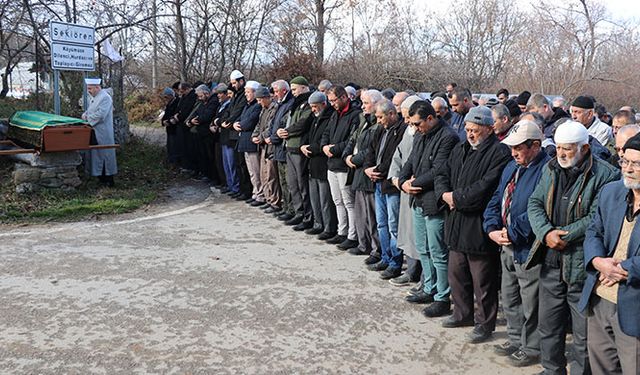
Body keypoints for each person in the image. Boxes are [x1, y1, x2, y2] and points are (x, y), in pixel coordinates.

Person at [527, 120, 620, 375]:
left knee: (583, 334)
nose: (562, 154)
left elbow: (596, 217)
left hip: (579, 264)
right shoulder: (551, 168)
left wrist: (564, 235)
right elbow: (534, 202)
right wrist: (546, 233)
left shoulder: (605, 175)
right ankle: (552, 369)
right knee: (549, 325)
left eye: (568, 148)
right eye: (558, 148)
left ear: (585, 148)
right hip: (550, 260)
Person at [434, 105, 511, 343]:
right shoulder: (460, 148)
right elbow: (441, 173)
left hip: (477, 224)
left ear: (489, 129)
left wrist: (457, 198)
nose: (470, 134)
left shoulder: (499, 152)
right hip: (456, 221)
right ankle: (462, 313)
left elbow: (486, 187)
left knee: (482, 280)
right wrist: (445, 195)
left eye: (475, 130)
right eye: (467, 129)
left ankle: (484, 323)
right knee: (456, 274)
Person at [483, 120, 550, 367]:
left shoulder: (546, 169)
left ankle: (531, 347)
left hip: (528, 247)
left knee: (530, 300)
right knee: (509, 295)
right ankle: (515, 339)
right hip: (505, 242)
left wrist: (513, 232)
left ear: (534, 146)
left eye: (518, 148)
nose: (513, 153)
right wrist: (491, 227)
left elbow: (539, 209)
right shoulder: (512, 167)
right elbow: (497, 198)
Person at [578, 133, 640, 375]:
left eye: (636, 164)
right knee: (601, 367)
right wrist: (597, 261)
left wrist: (622, 269)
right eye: (625, 162)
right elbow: (594, 231)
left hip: (634, 304)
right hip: (600, 298)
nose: (628, 169)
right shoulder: (611, 192)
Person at [398, 100, 459, 317]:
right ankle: (429, 287)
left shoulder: (448, 137)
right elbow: (412, 161)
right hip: (418, 200)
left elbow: (439, 169)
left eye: (418, 123)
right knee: (423, 248)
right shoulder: (421, 135)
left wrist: (413, 183)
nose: (415, 127)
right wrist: (402, 180)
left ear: (431, 118)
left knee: (438, 252)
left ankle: (442, 297)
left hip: (434, 202)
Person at [364, 99, 406, 279]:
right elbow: (371, 151)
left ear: (391, 114)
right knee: (381, 223)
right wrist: (368, 168)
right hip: (378, 183)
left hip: (391, 184)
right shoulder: (381, 129)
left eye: (381, 117)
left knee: (393, 225)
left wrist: (379, 170)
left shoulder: (402, 130)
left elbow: (396, 158)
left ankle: (396, 262)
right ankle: (385, 257)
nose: (378, 121)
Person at [387, 95, 423, 283]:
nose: (406, 121)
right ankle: (410, 271)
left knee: (418, 236)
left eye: (408, 117)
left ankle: (418, 275)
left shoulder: (422, 132)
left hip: (417, 188)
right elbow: (398, 156)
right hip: (404, 187)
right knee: (406, 232)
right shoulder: (408, 131)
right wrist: (396, 178)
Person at [344, 90, 383, 254]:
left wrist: (354, 159)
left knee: (372, 216)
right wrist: (347, 156)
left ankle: (376, 249)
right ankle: (363, 244)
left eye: (366, 103)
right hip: (358, 173)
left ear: (375, 104)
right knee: (361, 213)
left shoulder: (378, 125)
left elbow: (370, 150)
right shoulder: (363, 120)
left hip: (368, 173)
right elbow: (352, 139)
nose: (362, 106)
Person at [321, 85, 361, 245]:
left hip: (343, 164)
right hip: (331, 163)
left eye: (333, 100)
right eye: (330, 101)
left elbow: (352, 140)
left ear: (344, 97)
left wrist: (334, 149)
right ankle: (342, 231)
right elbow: (326, 133)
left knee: (348, 202)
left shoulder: (355, 115)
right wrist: (324, 146)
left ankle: (352, 235)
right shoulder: (334, 114)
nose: (332, 104)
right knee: (337, 200)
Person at [276, 76, 314, 229]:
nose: (293, 93)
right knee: (293, 184)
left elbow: (302, 123)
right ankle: (298, 213)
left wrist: (287, 131)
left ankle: (307, 216)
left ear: (304, 88)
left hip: (299, 148)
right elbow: (287, 120)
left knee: (302, 184)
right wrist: (280, 130)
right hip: (289, 148)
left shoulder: (308, 104)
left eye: (294, 89)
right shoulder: (295, 104)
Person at [300, 91, 337, 237]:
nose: (313, 109)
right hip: (312, 161)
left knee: (325, 199)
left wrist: (309, 148)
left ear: (323, 104)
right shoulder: (315, 118)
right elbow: (308, 135)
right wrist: (303, 146)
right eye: (311, 107)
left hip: (322, 162)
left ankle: (328, 227)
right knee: (315, 197)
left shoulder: (328, 118)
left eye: (315, 106)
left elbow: (324, 140)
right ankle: (318, 223)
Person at [82, 77, 117, 187]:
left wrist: (88, 118)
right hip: (95, 131)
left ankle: (109, 180)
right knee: (96, 155)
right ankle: (100, 178)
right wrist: (85, 115)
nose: (89, 91)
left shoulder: (105, 98)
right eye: (88, 89)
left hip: (103, 132)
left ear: (97, 87)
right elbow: (90, 111)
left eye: (90, 88)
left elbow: (101, 115)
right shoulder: (94, 97)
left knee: (105, 155)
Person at [233, 80, 263, 204]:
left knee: (256, 171)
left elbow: (249, 122)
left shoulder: (257, 106)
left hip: (251, 143)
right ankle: (255, 193)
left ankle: (260, 195)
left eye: (248, 92)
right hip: (244, 142)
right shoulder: (247, 105)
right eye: (245, 92)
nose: (246, 94)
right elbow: (240, 119)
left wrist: (240, 124)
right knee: (251, 171)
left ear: (255, 93)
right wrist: (235, 123)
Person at [252, 86, 281, 210]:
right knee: (263, 174)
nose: (258, 103)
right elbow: (259, 125)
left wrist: (261, 137)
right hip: (263, 145)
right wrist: (255, 135)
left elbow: (271, 127)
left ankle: (274, 202)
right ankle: (268, 198)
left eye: (260, 100)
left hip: (271, 146)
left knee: (271, 175)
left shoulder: (274, 108)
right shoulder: (263, 109)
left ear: (266, 97)